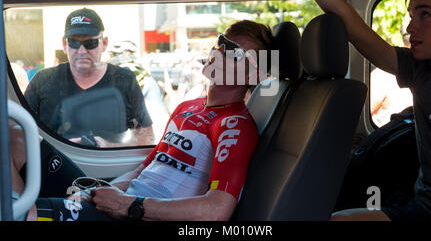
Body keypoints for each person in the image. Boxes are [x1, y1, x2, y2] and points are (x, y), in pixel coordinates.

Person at [16, 19, 273, 221]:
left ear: (254, 73)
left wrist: (130, 206)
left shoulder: (235, 125)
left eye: (235, 54)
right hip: (124, 202)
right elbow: (143, 169)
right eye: (222, 42)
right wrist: (101, 194)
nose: (220, 52)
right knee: (16, 139)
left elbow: (216, 210)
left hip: (139, 214)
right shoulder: (187, 107)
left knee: (18, 212)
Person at [273, 0, 431, 221]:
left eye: (425, 14)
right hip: (421, 207)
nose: (411, 27)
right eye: (411, 16)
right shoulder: (420, 70)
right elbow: (358, 31)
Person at [23, 8, 155, 147]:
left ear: (104, 43)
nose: (81, 51)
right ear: (64, 44)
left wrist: (109, 146)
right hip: (56, 165)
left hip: (109, 165)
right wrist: (61, 147)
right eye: (73, 42)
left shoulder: (125, 80)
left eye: (90, 43)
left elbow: (147, 136)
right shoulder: (43, 80)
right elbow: (18, 130)